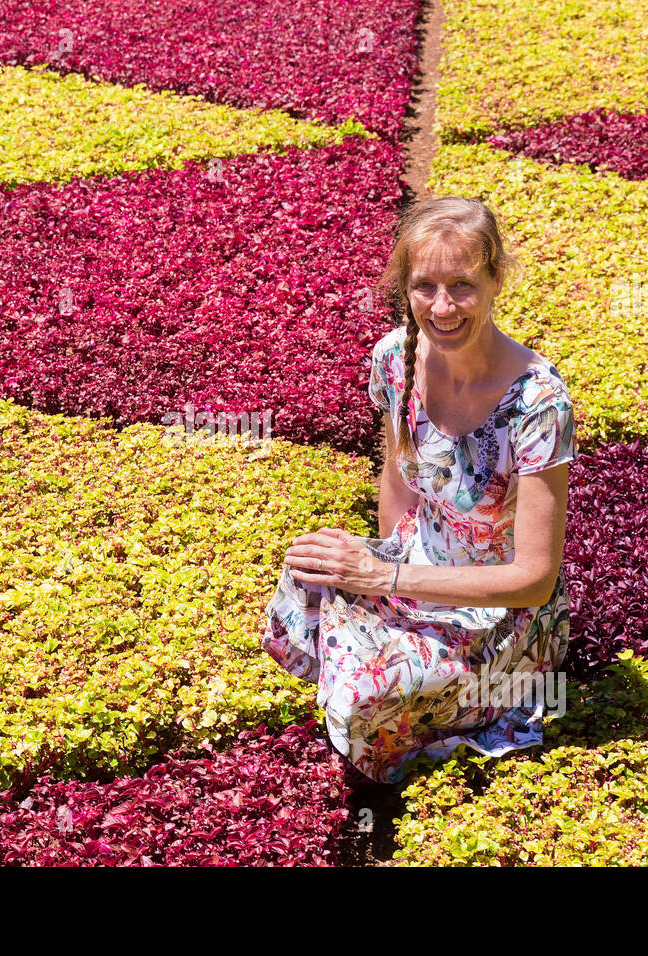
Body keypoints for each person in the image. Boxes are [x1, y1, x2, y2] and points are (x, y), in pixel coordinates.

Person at [260, 196, 576, 785]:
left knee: (364, 696)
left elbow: (535, 578)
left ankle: (420, 713)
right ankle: (393, 682)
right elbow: (398, 485)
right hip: (419, 570)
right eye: (425, 286)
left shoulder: (538, 401)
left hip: (500, 614)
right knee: (307, 567)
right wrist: (382, 581)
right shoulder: (395, 358)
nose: (443, 306)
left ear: (497, 278)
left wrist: (385, 582)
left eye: (462, 284)